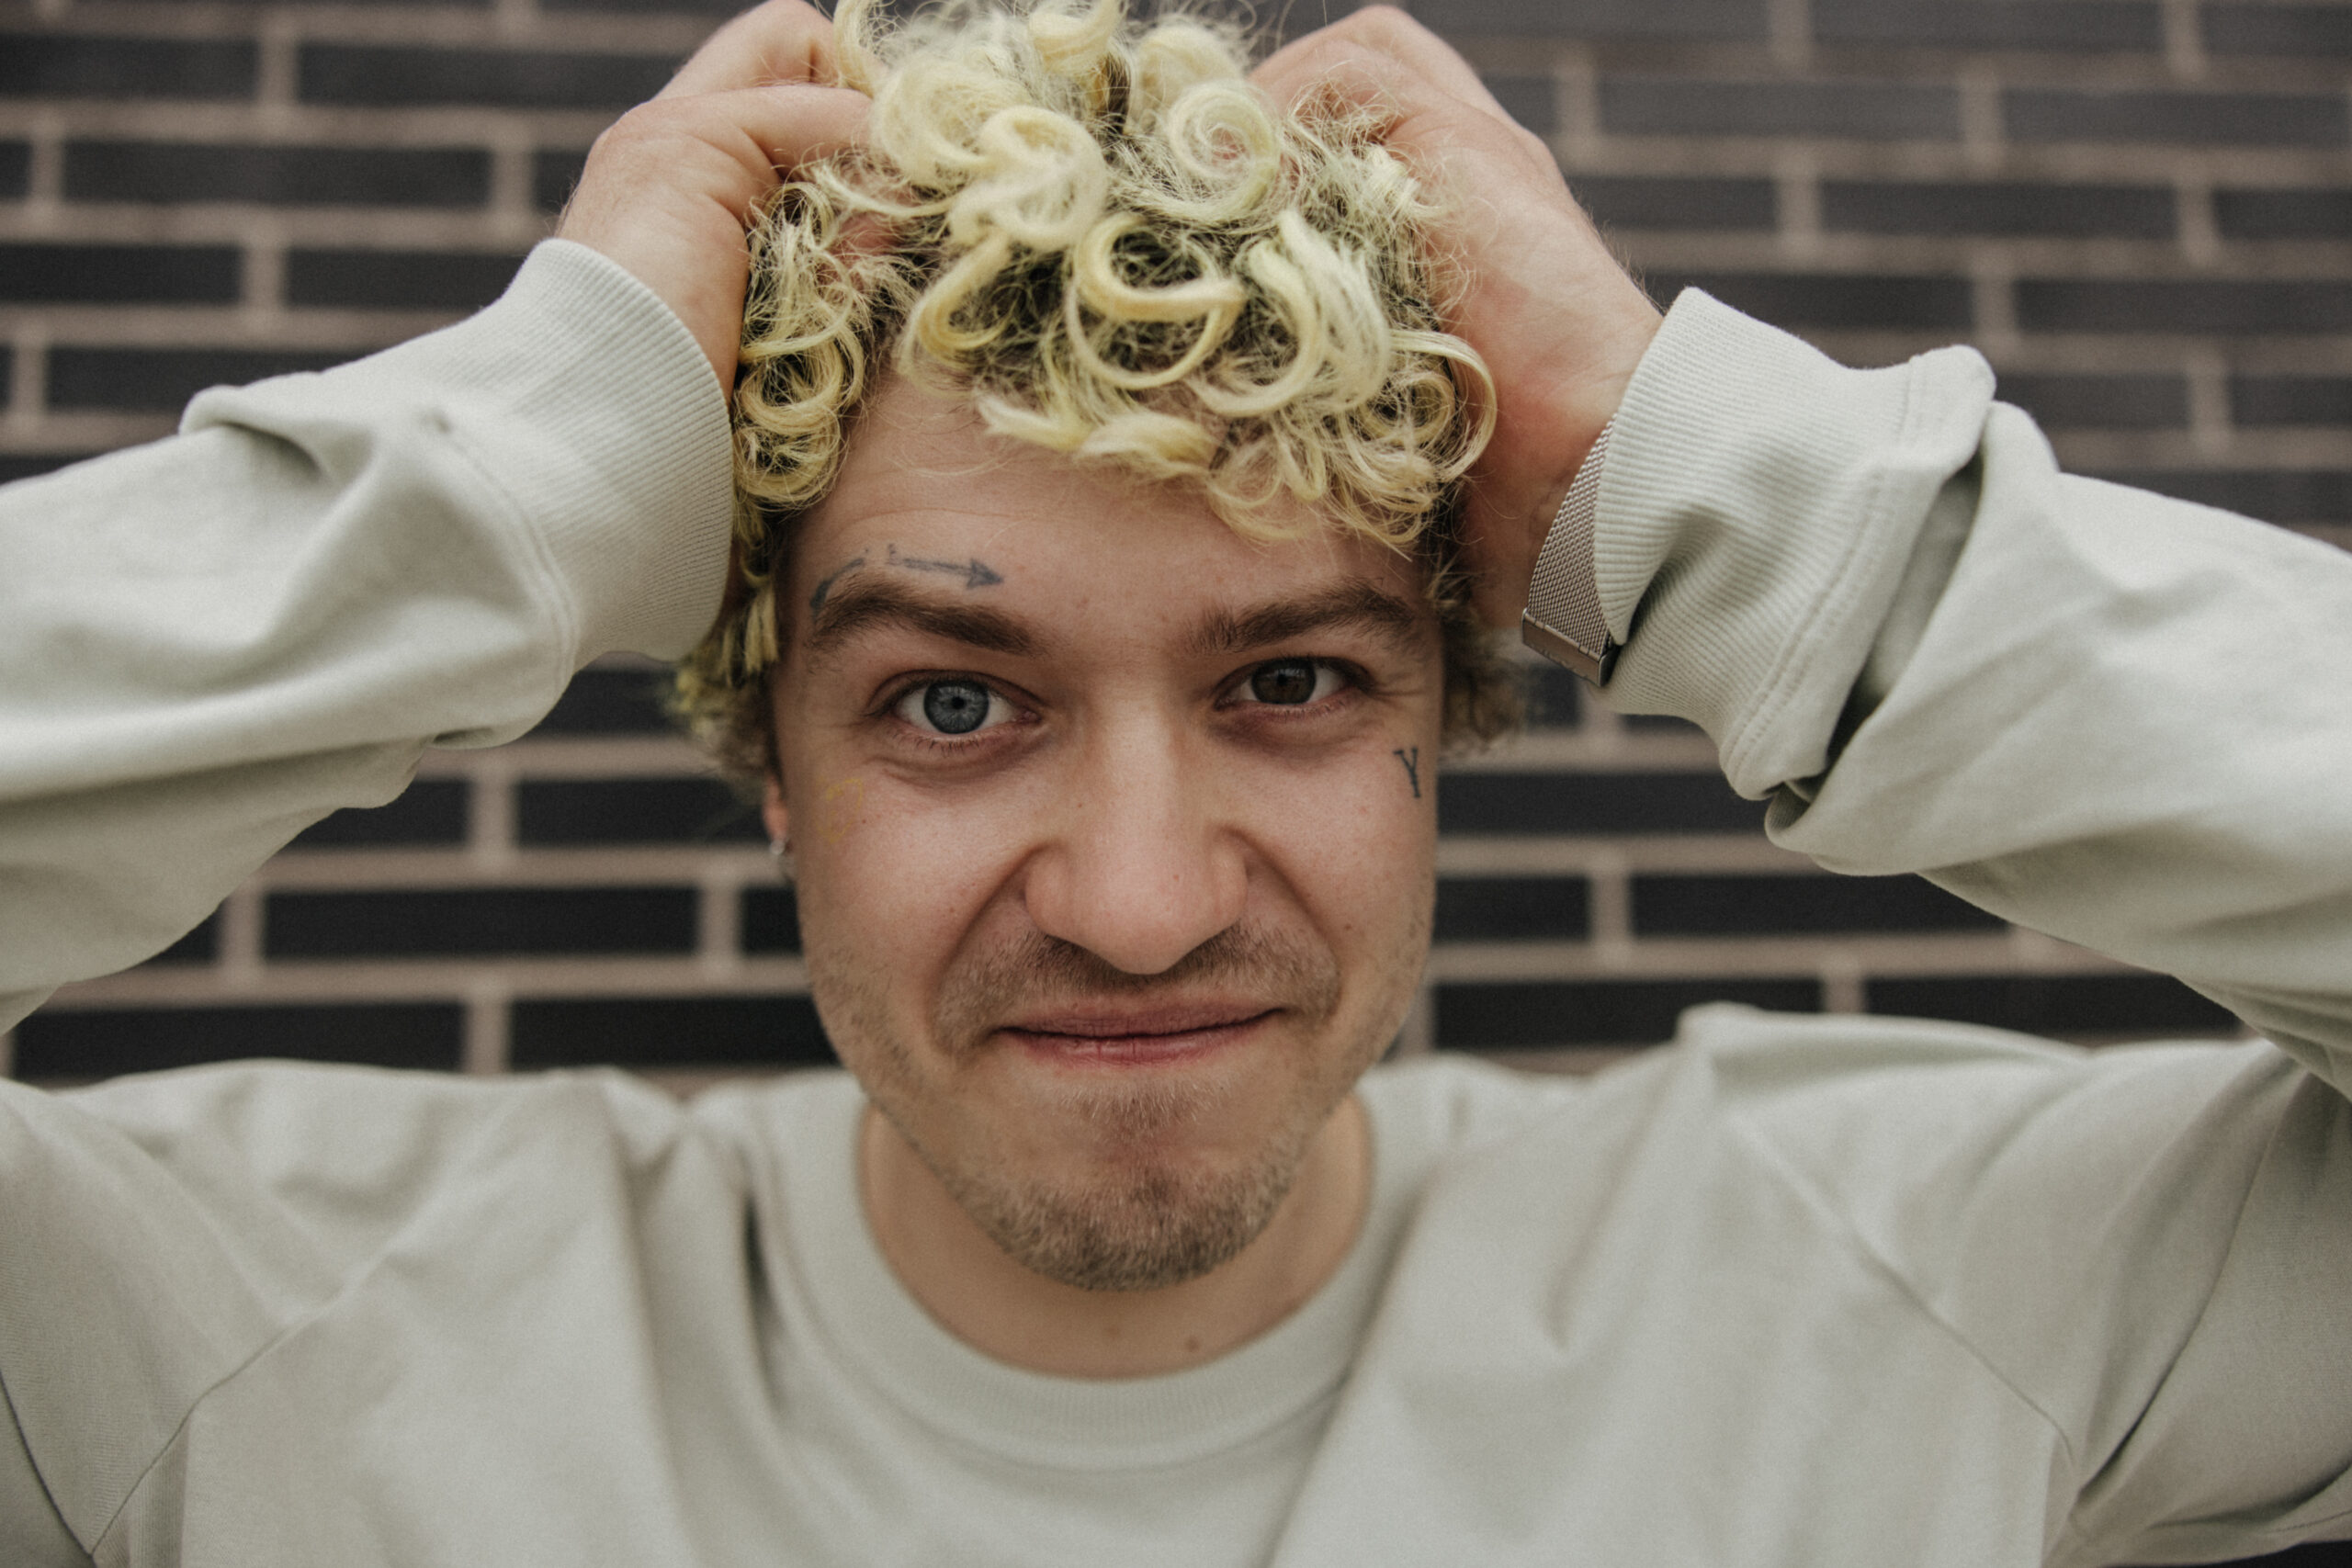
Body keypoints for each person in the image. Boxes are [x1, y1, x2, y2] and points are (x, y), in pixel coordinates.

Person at [1, 0, 2347, 1562]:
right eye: (948, 697)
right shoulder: (233, 1337)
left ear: (1444, 716)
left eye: (1292, 681)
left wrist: (1746, 514)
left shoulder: (1931, 1284)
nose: (1134, 901)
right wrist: (487, 495)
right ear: (771, 766)